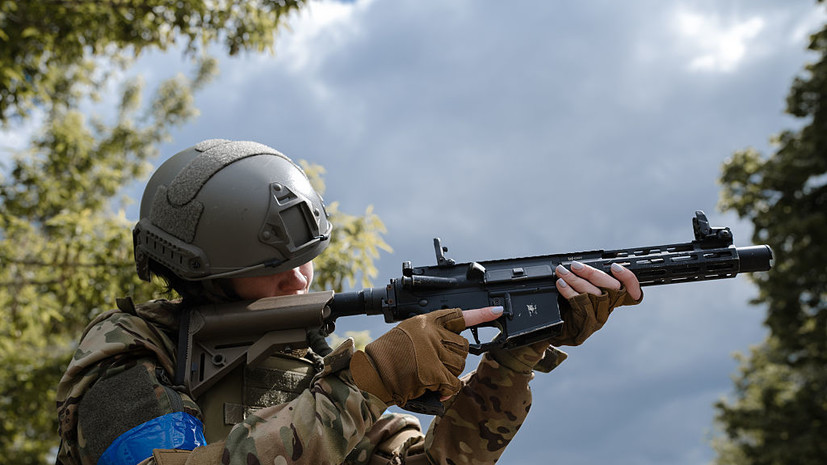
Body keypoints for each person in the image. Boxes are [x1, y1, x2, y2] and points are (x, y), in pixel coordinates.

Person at [56, 139, 642, 465]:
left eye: (303, 257)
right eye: (272, 269)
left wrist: (514, 354)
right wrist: (370, 379)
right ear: (204, 277)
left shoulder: (308, 371)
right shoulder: (128, 354)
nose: (299, 279)